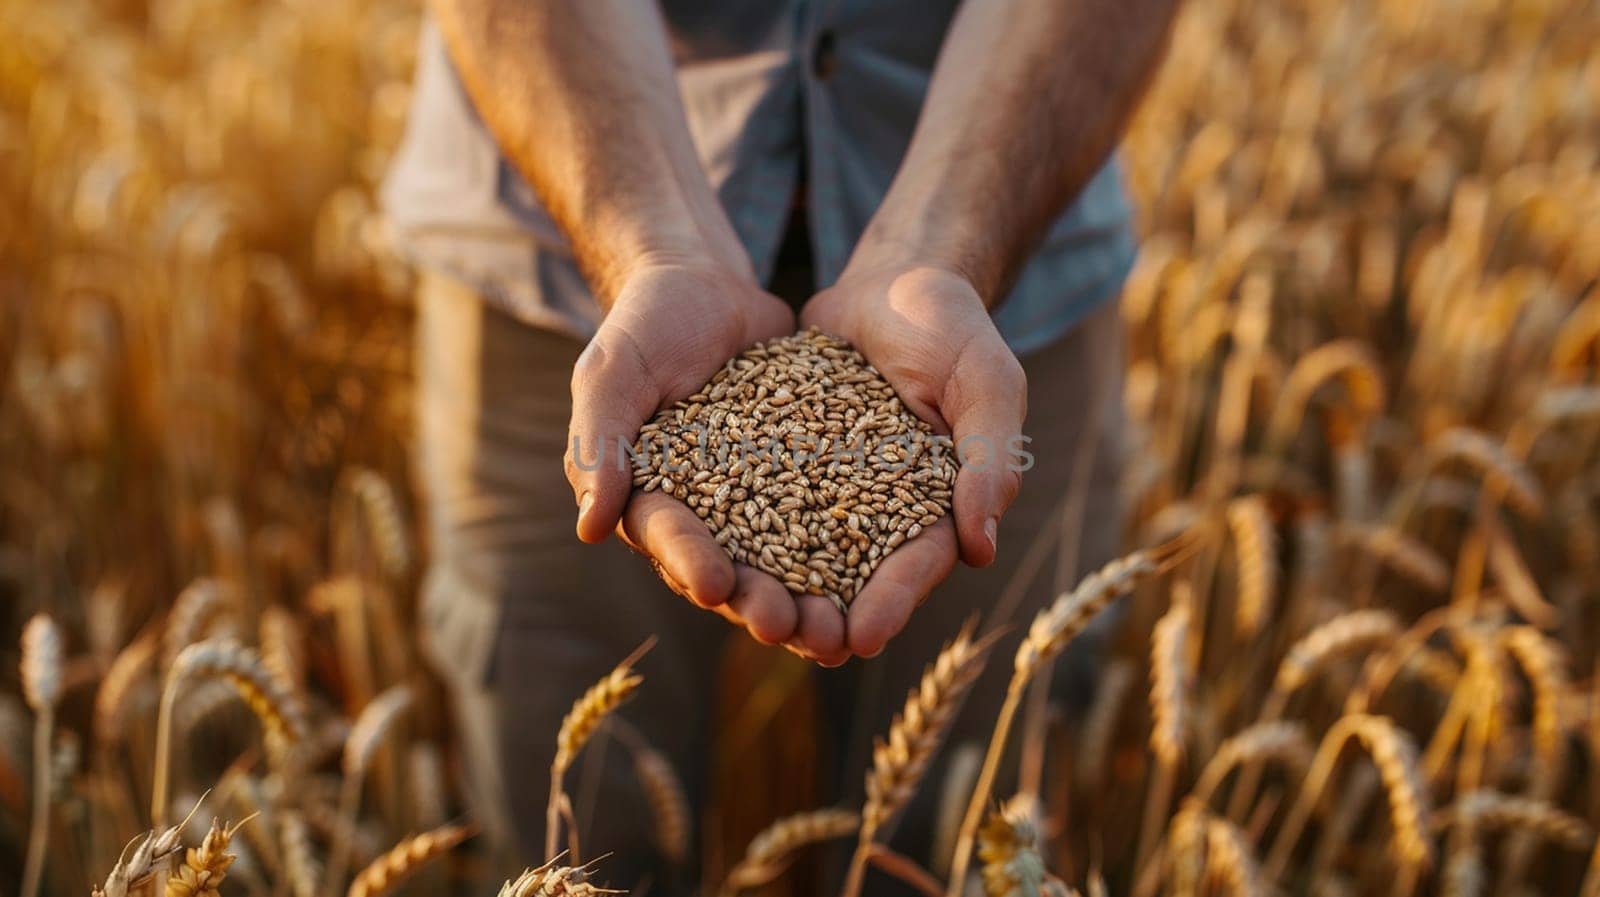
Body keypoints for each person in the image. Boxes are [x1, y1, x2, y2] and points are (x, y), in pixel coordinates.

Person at [382, 0, 1176, 888]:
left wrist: (942, 254)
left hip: (1011, 261)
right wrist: (654, 244)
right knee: (575, 842)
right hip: (555, 242)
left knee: (966, 846)